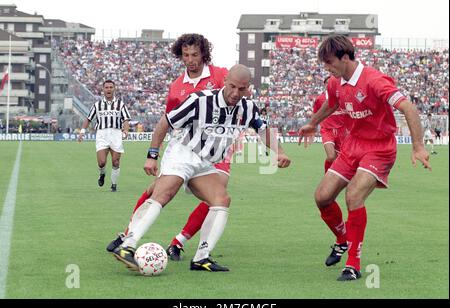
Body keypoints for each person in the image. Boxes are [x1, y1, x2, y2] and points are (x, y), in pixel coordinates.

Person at [112, 64, 291, 272]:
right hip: (182, 153)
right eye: (232, 86)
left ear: (248, 88)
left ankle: (201, 258)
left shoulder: (248, 108)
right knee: (165, 192)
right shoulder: (200, 100)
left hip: (205, 162)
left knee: (221, 200)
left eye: (241, 89)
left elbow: (263, 130)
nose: (235, 93)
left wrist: (280, 152)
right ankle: (127, 245)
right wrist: (152, 155)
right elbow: (165, 122)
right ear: (225, 81)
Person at [298, 35, 431, 281]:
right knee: (322, 197)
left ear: (345, 58)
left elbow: (408, 108)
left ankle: (353, 264)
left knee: (353, 195)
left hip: (379, 148)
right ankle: (342, 240)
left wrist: (418, 146)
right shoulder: (335, 82)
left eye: (329, 62)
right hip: (353, 146)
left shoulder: (374, 80)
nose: (326, 68)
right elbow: (332, 104)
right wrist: (312, 123)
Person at [106, 34, 230, 261]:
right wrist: (153, 154)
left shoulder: (221, 75)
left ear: (204, 53)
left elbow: (237, 96)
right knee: (160, 190)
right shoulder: (176, 88)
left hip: (215, 150)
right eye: (185, 55)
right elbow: (168, 121)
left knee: (219, 195)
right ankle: (128, 237)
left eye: (195, 54)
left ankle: (182, 244)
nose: (190, 60)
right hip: (184, 149)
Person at [78, 80, 131, 192]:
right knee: (101, 162)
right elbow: (88, 119)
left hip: (116, 134)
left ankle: (114, 184)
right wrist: (82, 131)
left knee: (115, 161)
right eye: (106, 87)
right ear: (103, 89)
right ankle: (102, 174)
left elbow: (126, 119)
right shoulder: (97, 105)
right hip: (102, 134)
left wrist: (126, 130)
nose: (109, 89)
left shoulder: (120, 104)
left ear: (114, 89)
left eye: (111, 87)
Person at [311, 76, 349, 173]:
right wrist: (312, 127)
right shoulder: (320, 99)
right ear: (324, 85)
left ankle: (337, 177)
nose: (329, 85)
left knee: (343, 159)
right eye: (327, 83)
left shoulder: (343, 96)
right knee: (331, 156)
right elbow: (315, 114)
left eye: (331, 83)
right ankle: (327, 175)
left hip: (342, 131)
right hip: (327, 130)